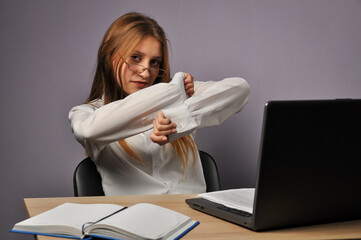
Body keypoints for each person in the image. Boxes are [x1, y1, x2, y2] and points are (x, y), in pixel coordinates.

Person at [68, 12, 250, 196]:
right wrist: (172, 91)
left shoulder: (182, 95)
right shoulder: (88, 112)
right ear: (110, 56)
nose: (146, 73)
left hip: (194, 217)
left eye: (154, 62)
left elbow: (240, 89)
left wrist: (177, 117)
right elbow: (87, 131)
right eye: (135, 58)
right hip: (134, 220)